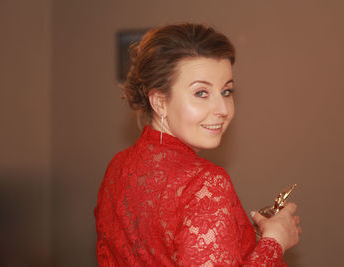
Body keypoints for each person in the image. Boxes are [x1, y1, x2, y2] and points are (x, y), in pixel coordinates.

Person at [94, 23, 301, 266]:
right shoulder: (206, 183)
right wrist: (275, 241)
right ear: (160, 102)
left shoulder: (118, 167)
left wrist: (237, 232)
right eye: (201, 93)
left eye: (227, 91)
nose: (223, 110)